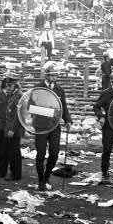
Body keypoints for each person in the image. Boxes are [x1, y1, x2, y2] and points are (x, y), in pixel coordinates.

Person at [35, 62, 72, 191]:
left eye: (56, 75)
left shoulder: (59, 89)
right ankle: (40, 180)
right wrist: (46, 111)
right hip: (41, 126)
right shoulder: (38, 88)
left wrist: (68, 120)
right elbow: (30, 107)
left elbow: (64, 107)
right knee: (40, 154)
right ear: (46, 75)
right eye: (52, 75)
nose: (54, 78)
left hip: (55, 126)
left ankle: (46, 177)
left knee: (55, 153)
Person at [0, 74, 24, 180]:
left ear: (15, 86)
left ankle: (15, 174)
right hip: (9, 128)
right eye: (7, 86)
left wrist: (12, 130)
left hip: (14, 130)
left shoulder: (19, 96)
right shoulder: (12, 95)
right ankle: (8, 172)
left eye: (10, 86)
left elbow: (18, 116)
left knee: (14, 153)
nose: (7, 88)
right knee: (9, 151)